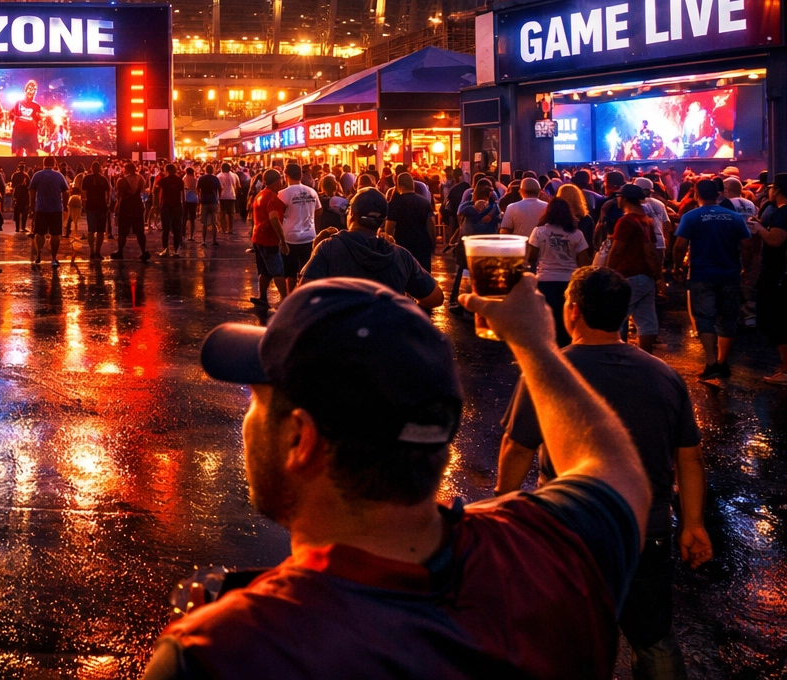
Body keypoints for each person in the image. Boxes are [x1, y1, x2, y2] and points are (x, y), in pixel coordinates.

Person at [146, 274, 650, 679]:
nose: (249, 419)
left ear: (301, 439)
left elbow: (615, 472)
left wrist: (532, 347)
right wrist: (537, 347)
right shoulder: (554, 548)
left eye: (257, 399)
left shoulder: (222, 653)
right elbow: (616, 467)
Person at [496, 266, 710, 679]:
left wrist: (502, 506)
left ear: (572, 311)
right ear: (624, 313)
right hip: (647, 529)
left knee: (568, 640)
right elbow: (690, 457)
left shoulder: (548, 369)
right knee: (653, 638)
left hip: (569, 531)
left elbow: (518, 448)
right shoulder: (664, 375)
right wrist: (694, 523)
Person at [299, 188, 442, 308]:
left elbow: (301, 299)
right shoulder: (400, 254)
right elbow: (435, 298)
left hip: (342, 337)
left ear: (352, 215)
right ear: (382, 221)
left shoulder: (329, 247)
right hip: (387, 337)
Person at [673, 177, 752, 382]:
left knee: (704, 317)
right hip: (730, 274)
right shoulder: (733, 217)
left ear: (696, 195)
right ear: (718, 194)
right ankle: (723, 361)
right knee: (728, 319)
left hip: (702, 274)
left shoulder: (691, 217)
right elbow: (747, 245)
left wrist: (677, 266)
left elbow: (680, 246)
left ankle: (710, 362)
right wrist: (747, 268)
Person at [527, 196, 591, 348]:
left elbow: (531, 256)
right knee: (567, 319)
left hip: (545, 280)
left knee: (548, 319)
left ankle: (550, 350)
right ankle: (567, 350)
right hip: (569, 281)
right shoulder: (577, 234)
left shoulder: (539, 232)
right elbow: (584, 261)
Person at [607, 184, 663, 353]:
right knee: (647, 322)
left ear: (623, 199)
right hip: (646, 278)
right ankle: (646, 358)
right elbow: (651, 252)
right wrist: (659, 276)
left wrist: (608, 272)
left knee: (612, 318)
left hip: (628, 276)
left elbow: (617, 251)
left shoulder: (626, 221)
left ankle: (614, 355)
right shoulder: (646, 221)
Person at [751, 174, 787, 385]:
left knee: (777, 321)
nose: (769, 191)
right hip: (779, 274)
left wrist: (759, 228)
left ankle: (786, 370)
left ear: (779, 191)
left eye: (772, 188)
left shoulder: (783, 213)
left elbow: (775, 240)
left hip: (778, 275)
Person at [271, 163, 318, 298]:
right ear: (301, 175)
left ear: (286, 176)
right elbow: (319, 211)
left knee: (290, 273)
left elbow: (275, 216)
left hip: (290, 237)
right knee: (307, 270)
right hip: (309, 236)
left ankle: (290, 298)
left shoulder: (282, 194)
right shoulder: (311, 191)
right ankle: (305, 297)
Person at [384, 172, 435, 275]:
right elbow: (431, 225)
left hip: (403, 245)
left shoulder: (395, 203)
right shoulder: (424, 202)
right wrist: (432, 243)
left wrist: (387, 244)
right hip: (422, 244)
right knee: (423, 275)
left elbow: (389, 227)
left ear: (398, 185)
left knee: (404, 276)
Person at [249, 169, 285, 307]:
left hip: (258, 237)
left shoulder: (260, 195)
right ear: (277, 181)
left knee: (264, 271)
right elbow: (274, 219)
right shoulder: (273, 198)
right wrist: (282, 239)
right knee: (278, 271)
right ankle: (285, 301)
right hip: (269, 239)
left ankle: (263, 297)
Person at [28, 157, 69, 267]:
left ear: (43, 163)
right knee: (55, 235)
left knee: (39, 233)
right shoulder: (59, 175)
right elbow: (66, 192)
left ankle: (38, 254)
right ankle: (54, 258)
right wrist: (65, 206)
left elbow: (32, 192)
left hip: (41, 208)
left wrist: (32, 206)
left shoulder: (37, 175)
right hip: (56, 208)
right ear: (54, 164)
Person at [112, 161, 151, 262]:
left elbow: (119, 196)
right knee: (140, 232)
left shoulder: (121, 181)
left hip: (125, 207)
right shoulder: (140, 179)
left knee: (122, 232)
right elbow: (143, 190)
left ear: (127, 169)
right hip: (137, 207)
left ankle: (120, 251)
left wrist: (116, 208)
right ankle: (143, 251)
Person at [80, 162, 111, 260]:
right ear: (100, 168)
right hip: (101, 207)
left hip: (90, 206)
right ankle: (98, 252)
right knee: (100, 231)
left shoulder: (87, 179)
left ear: (91, 168)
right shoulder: (103, 179)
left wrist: (84, 203)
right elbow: (108, 193)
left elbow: (83, 192)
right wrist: (108, 203)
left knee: (91, 230)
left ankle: (92, 251)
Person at [157, 163, 186, 257]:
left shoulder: (163, 181)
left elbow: (160, 193)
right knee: (176, 229)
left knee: (166, 229)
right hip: (177, 206)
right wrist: (182, 205)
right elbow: (183, 195)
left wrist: (159, 205)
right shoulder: (179, 180)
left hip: (165, 206)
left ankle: (166, 250)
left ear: (167, 170)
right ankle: (176, 250)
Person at [10, 79, 44, 158]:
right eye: (29, 89)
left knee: (32, 155)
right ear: (25, 90)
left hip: (30, 133)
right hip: (18, 132)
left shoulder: (37, 106)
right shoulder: (18, 103)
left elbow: (37, 120)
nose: (30, 92)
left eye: (33, 90)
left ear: (35, 93)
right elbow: (12, 115)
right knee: (17, 154)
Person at [195, 167, 222, 247]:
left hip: (204, 202)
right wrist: (218, 198)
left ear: (206, 170)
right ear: (212, 170)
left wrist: (199, 197)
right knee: (214, 223)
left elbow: (197, 189)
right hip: (213, 201)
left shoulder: (201, 178)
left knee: (204, 223)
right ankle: (214, 240)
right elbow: (220, 189)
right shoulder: (215, 178)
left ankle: (204, 241)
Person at [216, 162, 238, 236]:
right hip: (232, 196)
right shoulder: (234, 175)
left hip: (222, 197)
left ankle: (223, 229)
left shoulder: (219, 176)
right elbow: (238, 185)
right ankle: (230, 229)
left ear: (221, 168)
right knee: (230, 213)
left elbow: (218, 188)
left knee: (222, 213)